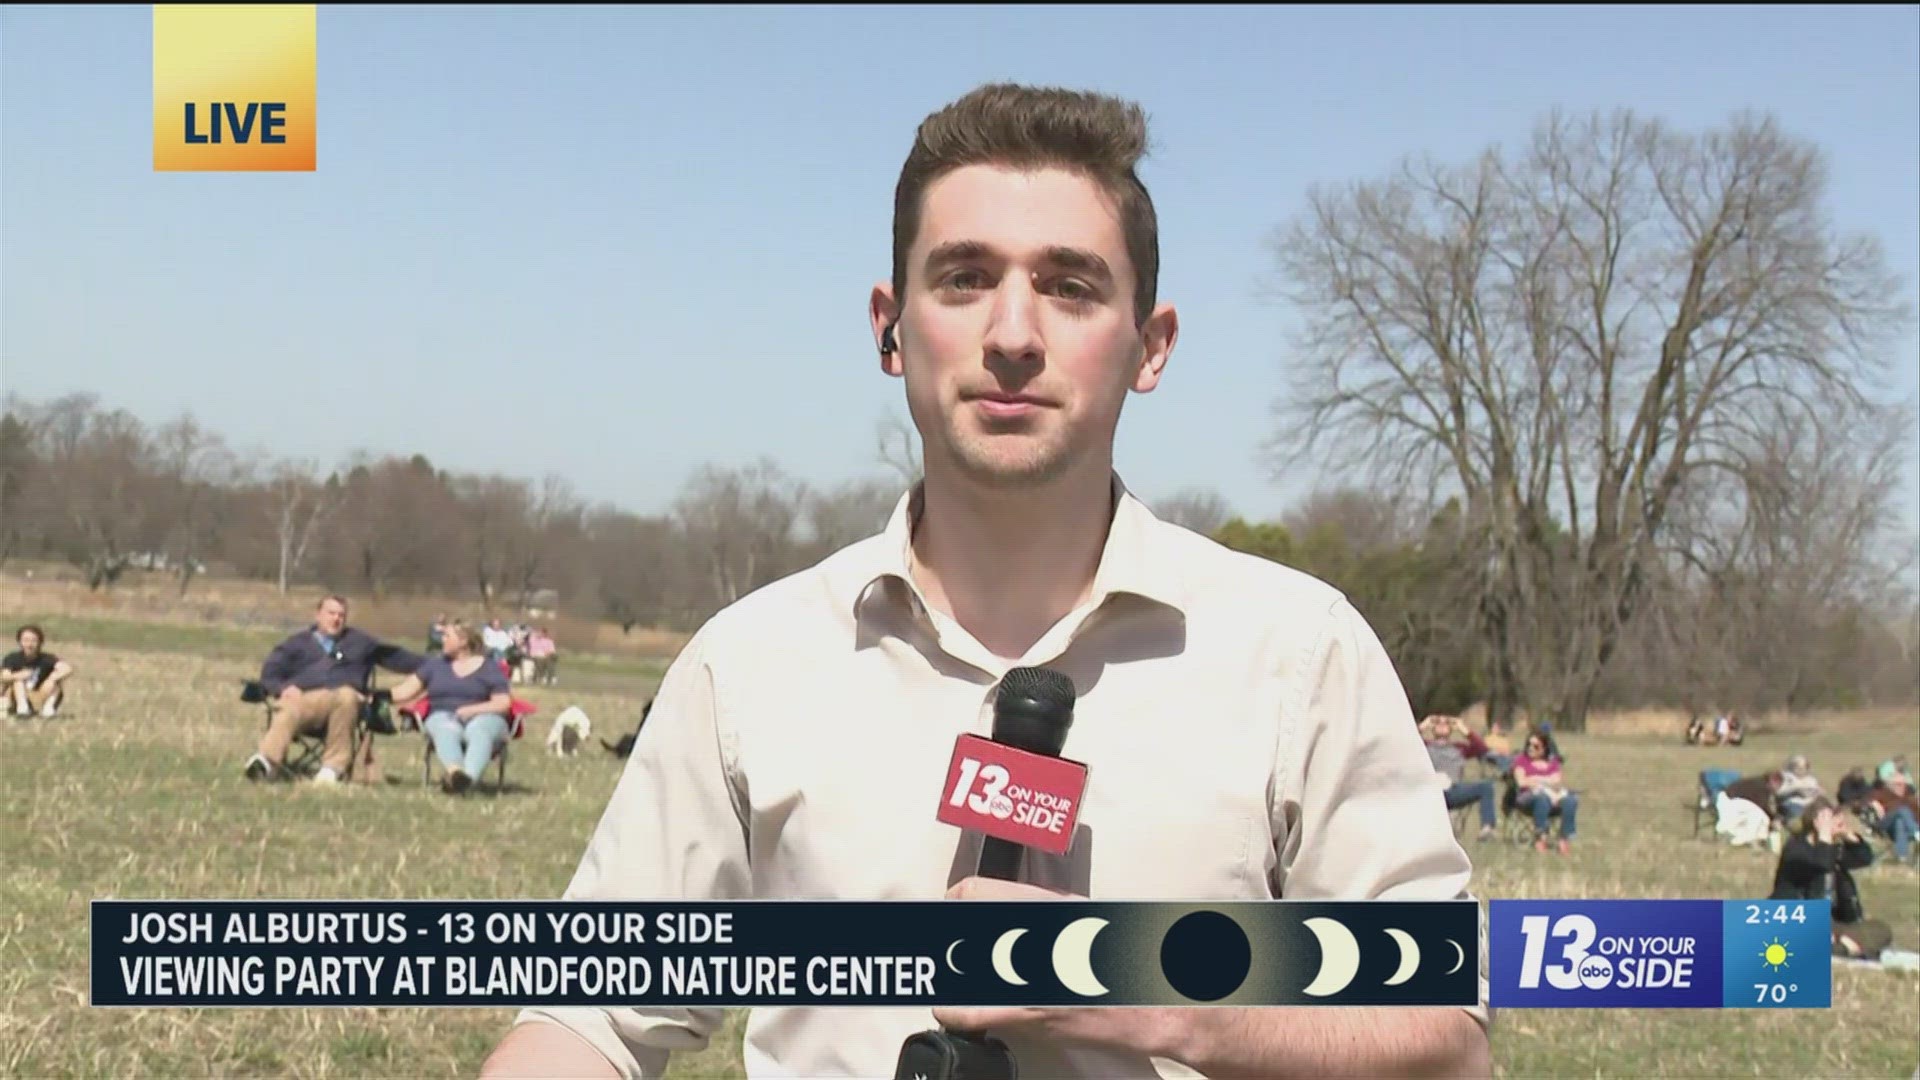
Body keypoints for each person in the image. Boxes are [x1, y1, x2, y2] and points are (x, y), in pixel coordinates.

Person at [481, 83, 1491, 1080]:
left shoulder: (1298, 654)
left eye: (1071, 286)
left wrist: (1149, 984)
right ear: (890, 327)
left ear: (1151, 346)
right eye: (964, 278)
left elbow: (1443, 1037)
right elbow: (591, 1019)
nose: (1013, 335)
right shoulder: (748, 667)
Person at [243, 594, 423, 784]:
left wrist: (443, 665)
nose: (336, 619)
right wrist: (282, 688)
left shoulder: (360, 642)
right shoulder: (296, 644)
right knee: (289, 709)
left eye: (341, 615)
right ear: (318, 615)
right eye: (331, 613)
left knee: (346, 695)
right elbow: (269, 674)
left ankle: (332, 769)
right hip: (306, 700)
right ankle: (266, 762)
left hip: (346, 703)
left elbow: (400, 658)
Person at [388, 618, 513, 795]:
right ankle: (456, 773)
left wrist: (472, 710)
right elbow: (404, 691)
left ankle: (466, 781)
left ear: (463, 641)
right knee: (445, 727)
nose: (442, 639)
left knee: (480, 729)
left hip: (486, 715)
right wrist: (373, 695)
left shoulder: (489, 667)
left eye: (447, 635)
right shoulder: (435, 665)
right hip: (444, 715)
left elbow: (502, 703)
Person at [1769, 796, 1890, 960]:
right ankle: (1843, 948)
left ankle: (1841, 947)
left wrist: (1848, 835)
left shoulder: (1832, 849)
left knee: (1880, 930)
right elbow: (1821, 863)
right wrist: (1824, 834)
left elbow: (1864, 858)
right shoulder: (1796, 850)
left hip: (1831, 926)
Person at [1421, 715, 1499, 841]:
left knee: (1486, 786)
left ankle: (1487, 828)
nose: (1441, 724)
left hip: (1453, 791)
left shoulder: (1459, 748)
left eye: (1446, 723)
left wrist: (1463, 729)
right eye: (1437, 722)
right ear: (1432, 728)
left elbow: (1482, 749)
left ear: (1451, 728)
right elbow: (1404, 744)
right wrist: (1423, 726)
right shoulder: (1423, 746)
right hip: (1429, 791)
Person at [1512, 731, 1578, 854]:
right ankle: (1540, 837)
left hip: (1552, 796)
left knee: (1571, 800)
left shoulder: (1553, 763)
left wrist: (1535, 779)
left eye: (1536, 746)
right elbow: (1521, 782)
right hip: (1527, 798)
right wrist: (1545, 781)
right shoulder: (1522, 760)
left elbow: (1557, 782)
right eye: (1529, 745)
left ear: (1544, 748)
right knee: (1542, 798)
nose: (1531, 748)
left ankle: (1564, 838)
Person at [2, 624, 75, 719]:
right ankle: (22, 710)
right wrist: (18, 675)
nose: (29, 644)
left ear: (40, 642)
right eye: (26, 640)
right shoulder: (12, 658)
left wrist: (52, 679)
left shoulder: (47, 658)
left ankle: (48, 710)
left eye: (34, 641)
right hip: (17, 694)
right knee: (18, 681)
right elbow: (4, 676)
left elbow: (67, 668)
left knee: (57, 682)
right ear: (20, 642)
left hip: (39, 693)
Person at [1865, 769, 1919, 864]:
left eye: (1903, 784)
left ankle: (1902, 858)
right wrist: (1873, 803)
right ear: (1890, 785)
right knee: (1902, 810)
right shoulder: (1882, 793)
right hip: (1886, 825)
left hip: (1903, 828)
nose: (1902, 786)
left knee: (1900, 822)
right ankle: (1917, 833)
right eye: (1898, 784)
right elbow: (1861, 803)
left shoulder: (1909, 797)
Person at [1775, 755, 1823, 824]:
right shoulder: (1787, 777)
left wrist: (1817, 792)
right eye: (1797, 767)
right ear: (1791, 767)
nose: (1800, 770)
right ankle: (1782, 820)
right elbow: (1778, 793)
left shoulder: (1811, 780)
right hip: (1789, 804)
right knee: (1794, 810)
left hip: (1806, 806)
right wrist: (1794, 791)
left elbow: (1816, 791)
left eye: (1803, 768)